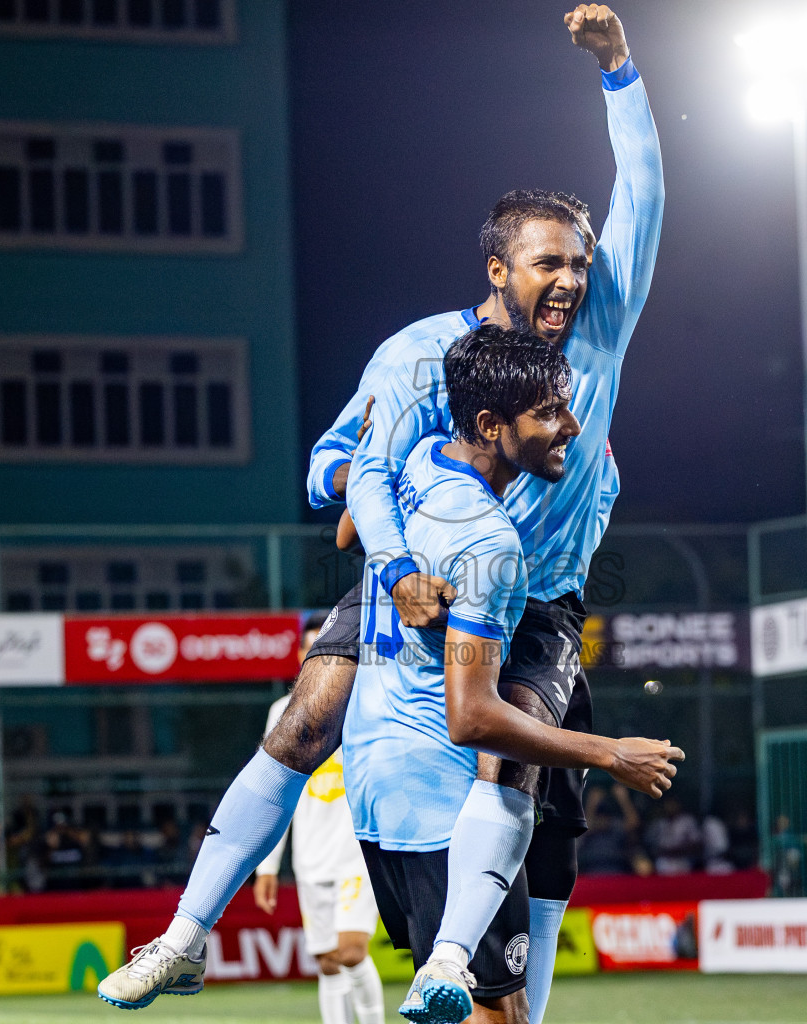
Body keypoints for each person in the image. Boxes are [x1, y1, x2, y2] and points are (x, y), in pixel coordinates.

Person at [98, 7, 664, 1018]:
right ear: (497, 269)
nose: (574, 279)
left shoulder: (599, 337)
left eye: (581, 261)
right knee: (306, 713)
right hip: (410, 584)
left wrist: (620, 70)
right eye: (549, 262)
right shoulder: (414, 357)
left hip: (535, 607)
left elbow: (648, 200)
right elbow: (333, 467)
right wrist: (386, 539)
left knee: (513, 764)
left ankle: (470, 977)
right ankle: (185, 935)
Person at [342, 327, 679, 1024]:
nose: (572, 426)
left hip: (379, 782)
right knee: (493, 1009)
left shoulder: (423, 456)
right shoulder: (492, 542)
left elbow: (351, 528)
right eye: (552, 412)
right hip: (442, 789)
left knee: (490, 990)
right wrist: (610, 753)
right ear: (492, 424)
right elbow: (472, 718)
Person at [253, 613, 386, 1024]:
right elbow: (276, 790)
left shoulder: (364, 699)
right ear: (300, 655)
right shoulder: (282, 711)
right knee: (328, 962)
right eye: (312, 649)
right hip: (310, 858)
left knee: (351, 951)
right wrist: (268, 867)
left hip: (356, 853)